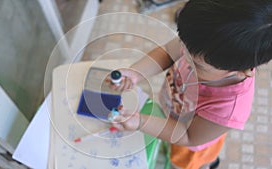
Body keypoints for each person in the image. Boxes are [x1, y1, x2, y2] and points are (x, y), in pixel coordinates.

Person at [108, 0, 272, 168]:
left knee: (182, 162)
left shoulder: (229, 109)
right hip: (172, 113)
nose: (184, 57)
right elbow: (167, 53)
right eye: (183, 45)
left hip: (190, 142)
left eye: (196, 64)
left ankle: (208, 163)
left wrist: (141, 122)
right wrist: (136, 73)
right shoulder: (199, 45)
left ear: (241, 71)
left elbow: (188, 135)